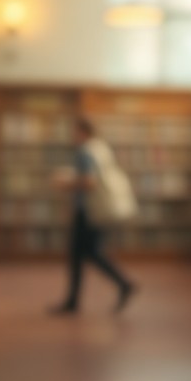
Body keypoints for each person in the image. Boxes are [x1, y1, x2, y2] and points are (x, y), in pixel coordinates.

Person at [48, 118, 136, 315]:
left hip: (88, 211)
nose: (72, 136)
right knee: (82, 255)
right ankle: (74, 300)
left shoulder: (85, 151)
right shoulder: (101, 148)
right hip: (96, 209)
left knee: (87, 254)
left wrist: (66, 183)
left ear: (82, 132)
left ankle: (122, 284)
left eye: (74, 131)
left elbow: (89, 182)